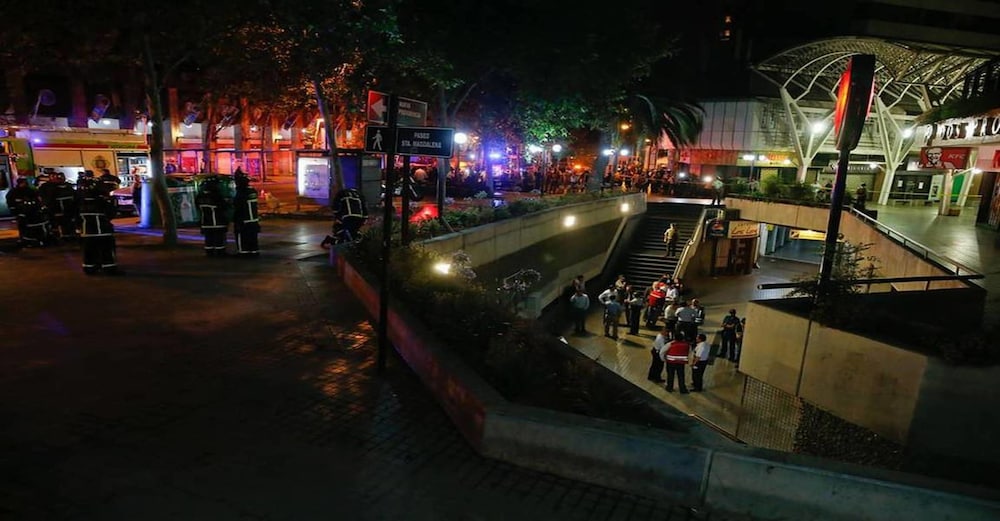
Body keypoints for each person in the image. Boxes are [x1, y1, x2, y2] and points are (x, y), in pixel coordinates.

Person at [77, 176, 120, 275]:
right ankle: (109, 268)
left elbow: (74, 214)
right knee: (106, 251)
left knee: (89, 251)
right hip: (102, 231)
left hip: (87, 232)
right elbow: (110, 213)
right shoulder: (102, 200)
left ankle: (89, 268)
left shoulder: (80, 200)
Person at [5, 177, 50, 247]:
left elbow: (37, 199)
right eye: (23, 182)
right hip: (20, 211)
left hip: (30, 212)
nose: (24, 184)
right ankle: (23, 238)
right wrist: (14, 210)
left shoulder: (30, 191)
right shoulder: (14, 192)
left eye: (25, 182)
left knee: (30, 225)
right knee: (22, 225)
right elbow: (10, 201)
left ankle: (32, 238)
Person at [195, 176, 231, 256]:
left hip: (205, 222)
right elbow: (224, 207)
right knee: (219, 239)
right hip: (218, 222)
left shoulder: (200, 196)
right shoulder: (217, 196)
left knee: (208, 239)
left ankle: (209, 252)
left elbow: (197, 206)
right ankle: (220, 252)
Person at [232, 173, 261, 257]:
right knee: (253, 236)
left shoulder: (241, 192)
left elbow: (238, 205)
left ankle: (243, 252)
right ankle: (254, 251)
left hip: (244, 219)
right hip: (254, 219)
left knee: (242, 236)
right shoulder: (252, 191)